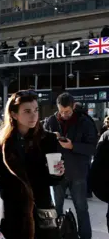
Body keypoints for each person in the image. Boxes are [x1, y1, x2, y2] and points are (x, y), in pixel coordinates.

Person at [0, 90, 65, 239]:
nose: (34, 115)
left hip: (42, 211)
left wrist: (58, 174)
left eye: (36, 110)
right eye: (27, 111)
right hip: (11, 212)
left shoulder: (47, 139)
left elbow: (52, 180)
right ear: (14, 114)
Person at [43, 92, 97, 239]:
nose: (64, 114)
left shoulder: (85, 122)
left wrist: (73, 146)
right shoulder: (50, 121)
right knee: (55, 210)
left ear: (73, 106)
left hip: (77, 173)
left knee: (81, 209)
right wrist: (49, 140)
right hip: (55, 173)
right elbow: (41, 146)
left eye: (67, 111)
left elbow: (92, 148)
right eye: (61, 111)